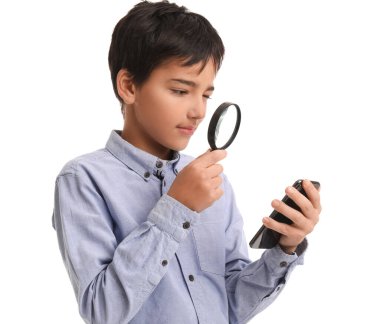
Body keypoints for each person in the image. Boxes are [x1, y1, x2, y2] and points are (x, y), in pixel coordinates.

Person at [52, 1, 322, 323]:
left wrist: (285, 249)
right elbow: (102, 311)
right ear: (128, 86)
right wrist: (177, 207)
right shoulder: (83, 180)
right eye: (181, 90)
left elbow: (230, 307)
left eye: (206, 95)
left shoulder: (213, 182)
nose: (198, 111)